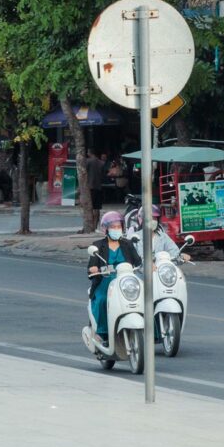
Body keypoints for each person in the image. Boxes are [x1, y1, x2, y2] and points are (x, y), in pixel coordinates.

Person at [87, 211, 142, 347]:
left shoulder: (127, 244)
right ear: (106, 229)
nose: (116, 230)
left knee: (144, 298)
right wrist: (94, 268)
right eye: (113, 227)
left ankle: (151, 331)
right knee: (102, 300)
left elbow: (138, 261)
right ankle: (102, 333)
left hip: (126, 280)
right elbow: (91, 266)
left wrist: (148, 264)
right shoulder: (98, 245)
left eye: (119, 227)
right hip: (106, 281)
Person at [84, 148, 105, 218]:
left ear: (90, 153)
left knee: (89, 207)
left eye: (88, 152)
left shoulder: (88, 161)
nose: (87, 154)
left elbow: (84, 173)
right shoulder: (102, 163)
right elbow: (103, 175)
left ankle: (90, 225)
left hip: (90, 187)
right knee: (97, 208)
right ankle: (96, 225)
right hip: (98, 187)